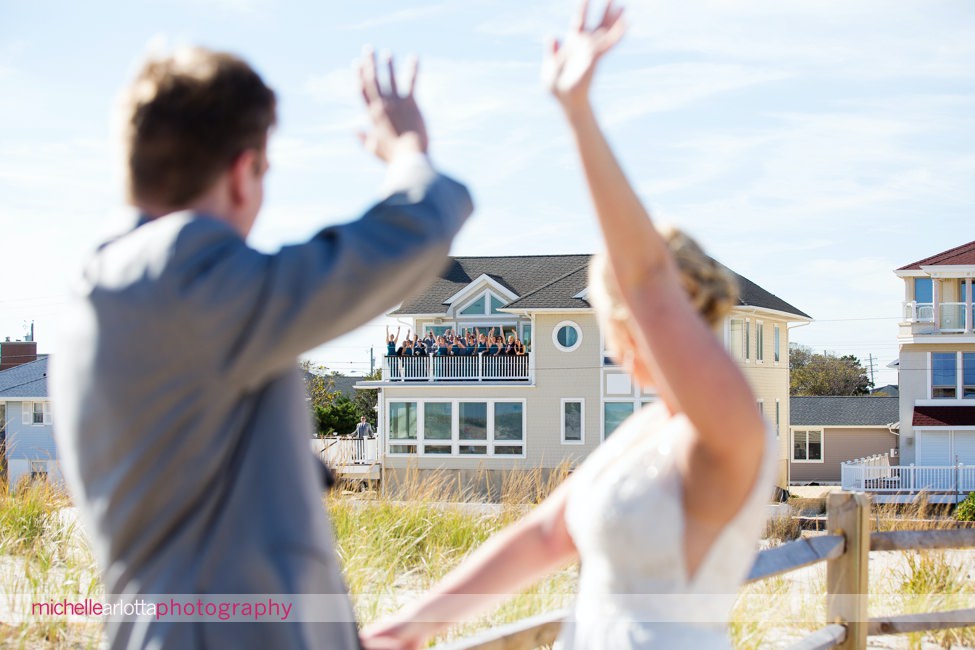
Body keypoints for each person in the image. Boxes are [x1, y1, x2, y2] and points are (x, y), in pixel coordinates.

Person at [360, 2, 773, 649]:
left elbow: (644, 279)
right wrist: (404, 631)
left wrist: (577, 112)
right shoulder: (643, 432)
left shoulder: (726, 421)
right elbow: (545, 536)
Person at [50, 44, 472, 650]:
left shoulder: (99, 293)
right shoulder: (182, 272)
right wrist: (410, 157)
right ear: (244, 173)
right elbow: (392, 248)